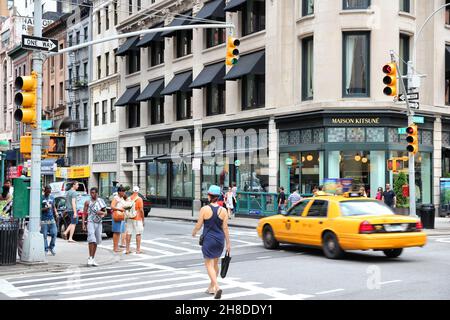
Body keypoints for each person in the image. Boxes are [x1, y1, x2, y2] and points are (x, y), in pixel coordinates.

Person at [192, 185, 230, 300]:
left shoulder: (204, 209)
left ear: (209, 196)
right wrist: (228, 244)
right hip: (220, 240)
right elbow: (225, 228)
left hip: (208, 240)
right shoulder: (223, 210)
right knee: (215, 264)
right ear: (218, 197)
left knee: (208, 264)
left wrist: (194, 232)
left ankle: (217, 287)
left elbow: (199, 225)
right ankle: (211, 287)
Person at [82, 187, 107, 267]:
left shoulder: (101, 201)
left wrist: (102, 213)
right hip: (90, 222)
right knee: (91, 239)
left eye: (94, 193)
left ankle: (92, 258)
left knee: (96, 240)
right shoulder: (87, 202)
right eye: (91, 193)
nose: (92, 194)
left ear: (97, 193)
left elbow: (105, 211)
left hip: (99, 222)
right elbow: (84, 213)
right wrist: (83, 223)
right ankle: (90, 258)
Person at [126, 186, 145, 254]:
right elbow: (141, 210)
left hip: (129, 218)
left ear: (133, 191)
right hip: (137, 218)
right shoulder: (139, 199)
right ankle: (138, 250)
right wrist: (143, 220)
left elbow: (126, 208)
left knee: (128, 233)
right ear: (138, 191)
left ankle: (127, 249)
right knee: (138, 234)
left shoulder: (128, 198)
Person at [41, 186, 58, 255]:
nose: (49, 192)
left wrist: (56, 213)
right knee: (44, 235)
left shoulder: (52, 197)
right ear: (44, 191)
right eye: (47, 191)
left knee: (54, 233)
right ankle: (45, 249)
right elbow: (39, 209)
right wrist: (45, 209)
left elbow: (54, 207)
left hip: (51, 219)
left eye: (50, 191)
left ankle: (51, 247)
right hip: (44, 219)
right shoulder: (41, 198)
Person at [111, 186, 127, 253]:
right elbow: (112, 206)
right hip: (117, 216)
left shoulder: (122, 198)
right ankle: (115, 248)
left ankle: (116, 247)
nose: (124, 193)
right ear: (119, 192)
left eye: (124, 191)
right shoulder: (116, 198)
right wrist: (120, 209)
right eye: (123, 191)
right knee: (116, 232)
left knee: (118, 232)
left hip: (121, 216)